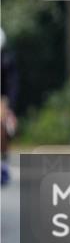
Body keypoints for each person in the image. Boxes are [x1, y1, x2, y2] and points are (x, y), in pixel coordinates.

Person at [1, 28, 19, 186]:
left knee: (4, 126)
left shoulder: (7, 61)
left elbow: (12, 86)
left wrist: (9, 108)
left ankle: (4, 165)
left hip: (2, 99)